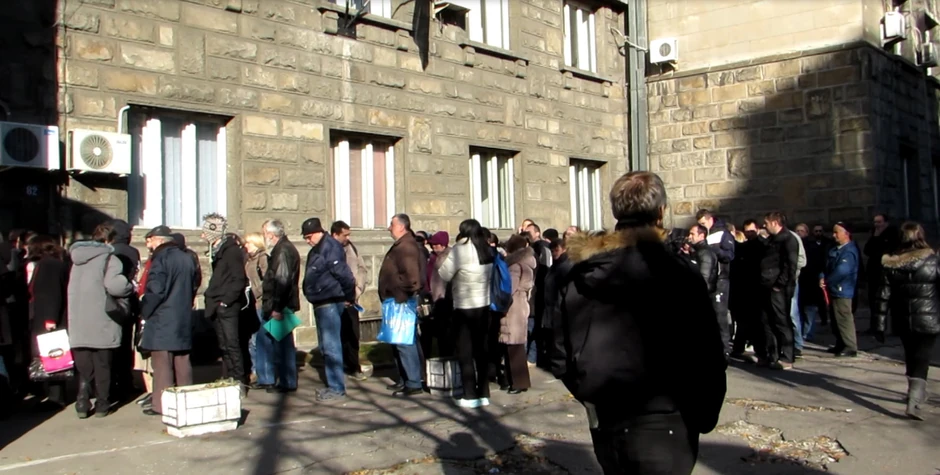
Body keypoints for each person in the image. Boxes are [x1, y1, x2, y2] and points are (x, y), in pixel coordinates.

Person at [553, 171, 726, 474]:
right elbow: (709, 355)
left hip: (630, 414)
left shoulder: (581, 273)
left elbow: (559, 352)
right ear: (661, 212)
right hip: (657, 417)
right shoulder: (678, 273)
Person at [67, 223, 135, 418]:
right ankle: (102, 404)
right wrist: (129, 286)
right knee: (103, 365)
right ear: (109, 240)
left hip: (79, 319)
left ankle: (82, 401)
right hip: (102, 319)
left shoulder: (77, 259)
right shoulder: (110, 259)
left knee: (84, 366)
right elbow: (115, 286)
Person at [873, 221, 939, 421]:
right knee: (922, 358)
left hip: (902, 318)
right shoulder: (932, 261)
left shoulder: (891, 264)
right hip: (929, 317)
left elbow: (882, 296)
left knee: (911, 355)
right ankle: (914, 401)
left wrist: (879, 324)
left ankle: (915, 393)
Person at [139, 227, 197, 416]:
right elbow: (194, 285)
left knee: (162, 364)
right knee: (182, 361)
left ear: (159, 240)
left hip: (162, 318)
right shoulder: (187, 258)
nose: (150, 245)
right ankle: (187, 400)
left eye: (151, 240)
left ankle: (162, 405)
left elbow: (155, 290)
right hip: (182, 315)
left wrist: (144, 310)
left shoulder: (161, 259)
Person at [439, 219, 494, 408]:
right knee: (482, 351)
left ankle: (470, 394)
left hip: (464, 305)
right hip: (484, 304)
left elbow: (444, 274)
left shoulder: (459, 250)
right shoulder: (486, 249)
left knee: (465, 352)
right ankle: (484, 392)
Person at [301, 217, 356, 402]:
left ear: (318, 232)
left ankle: (337, 388)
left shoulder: (330, 247)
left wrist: (349, 297)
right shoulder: (319, 248)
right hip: (322, 301)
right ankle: (333, 385)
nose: (307, 241)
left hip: (330, 301)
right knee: (326, 346)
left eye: (309, 237)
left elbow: (344, 275)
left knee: (331, 346)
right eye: (305, 238)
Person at [201, 213, 250, 397]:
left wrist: (226, 302)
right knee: (224, 345)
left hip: (227, 306)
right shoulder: (219, 251)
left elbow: (238, 279)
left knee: (232, 344)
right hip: (218, 304)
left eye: (205, 232)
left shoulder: (231, 251)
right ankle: (230, 379)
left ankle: (239, 381)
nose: (202, 236)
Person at [378, 214, 426, 397]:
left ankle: (413, 382)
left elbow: (412, 278)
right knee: (399, 341)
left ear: (401, 227)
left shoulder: (406, 246)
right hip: (396, 301)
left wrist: (401, 294)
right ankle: (405, 379)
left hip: (401, 301)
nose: (389, 228)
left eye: (392, 224)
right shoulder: (402, 245)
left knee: (404, 341)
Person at [256, 219, 301, 393]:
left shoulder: (283, 251)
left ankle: (287, 381)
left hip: (280, 305)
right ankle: (267, 378)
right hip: (274, 303)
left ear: (271, 234)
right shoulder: (280, 249)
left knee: (282, 344)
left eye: (264, 233)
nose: (264, 237)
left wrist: (277, 307)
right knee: (266, 340)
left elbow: (283, 280)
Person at [758, 212, 800, 370]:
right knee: (767, 321)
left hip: (778, 288)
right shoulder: (772, 239)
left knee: (781, 321)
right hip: (766, 285)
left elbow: (790, 266)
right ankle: (772, 355)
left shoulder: (788, 239)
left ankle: (787, 357)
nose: (764, 226)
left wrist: (779, 285)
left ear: (775, 223)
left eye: (767, 223)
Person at [104, 219, 140, 402]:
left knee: (110, 346)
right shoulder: (133, 251)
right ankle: (126, 381)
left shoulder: (109, 251)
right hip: (129, 301)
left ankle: (111, 384)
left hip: (110, 302)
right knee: (126, 343)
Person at [331, 221, 370, 381]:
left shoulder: (351, 248)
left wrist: (357, 289)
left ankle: (353, 366)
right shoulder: (328, 249)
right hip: (335, 299)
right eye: (345, 235)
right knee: (335, 335)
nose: (347, 238)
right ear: (335, 235)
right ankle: (337, 368)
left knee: (352, 335)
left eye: (349, 234)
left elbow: (362, 269)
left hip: (352, 299)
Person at [499, 235, 535, 394]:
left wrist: (501, 304)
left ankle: (517, 382)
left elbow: (510, 289)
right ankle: (517, 381)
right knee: (517, 345)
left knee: (513, 346)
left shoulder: (515, 266)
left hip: (513, 308)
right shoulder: (528, 264)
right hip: (522, 305)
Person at [697, 210, 735, 356]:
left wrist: (713, 249)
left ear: (710, 219)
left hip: (720, 279)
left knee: (720, 316)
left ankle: (725, 349)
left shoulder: (722, 233)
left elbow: (729, 255)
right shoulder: (703, 233)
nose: (702, 226)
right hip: (708, 278)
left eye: (703, 223)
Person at [821, 222, 861, 358]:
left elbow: (842, 271)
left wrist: (827, 281)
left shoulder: (849, 251)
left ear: (846, 234)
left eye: (836, 232)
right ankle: (840, 343)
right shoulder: (835, 249)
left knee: (844, 319)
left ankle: (850, 346)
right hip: (833, 288)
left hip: (842, 289)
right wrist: (822, 277)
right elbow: (826, 266)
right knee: (835, 319)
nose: (834, 235)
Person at [729, 220, 766, 359]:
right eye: (747, 231)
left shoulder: (763, 245)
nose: (749, 233)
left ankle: (759, 351)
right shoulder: (744, 247)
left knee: (755, 322)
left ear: (757, 230)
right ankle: (739, 348)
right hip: (743, 289)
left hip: (757, 288)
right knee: (743, 321)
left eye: (751, 231)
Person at [864, 213, 898, 333]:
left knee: (892, 300)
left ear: (886, 223)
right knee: (874, 301)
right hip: (874, 273)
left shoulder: (893, 234)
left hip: (887, 271)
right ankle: (875, 327)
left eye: (879, 222)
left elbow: (887, 251)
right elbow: (867, 250)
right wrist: (875, 237)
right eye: (875, 222)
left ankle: (895, 328)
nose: (876, 225)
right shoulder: (874, 235)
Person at [243, 233, 268, 384]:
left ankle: (261, 372)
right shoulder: (249, 259)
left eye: (248, 243)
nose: (246, 245)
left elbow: (267, 280)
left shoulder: (262, 258)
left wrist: (256, 293)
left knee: (257, 339)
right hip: (250, 303)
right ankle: (256, 371)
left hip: (259, 303)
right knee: (252, 340)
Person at [426, 231, 454, 357]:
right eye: (432, 244)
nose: (433, 247)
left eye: (436, 244)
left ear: (443, 245)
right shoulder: (432, 257)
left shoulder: (449, 256)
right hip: (435, 297)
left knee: (445, 331)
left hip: (445, 299)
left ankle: (447, 355)